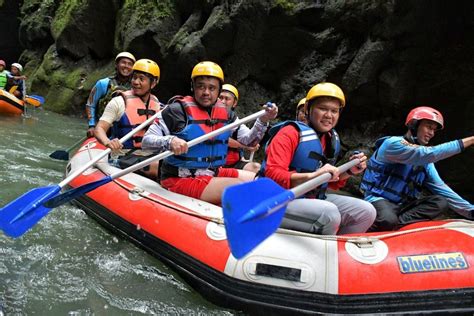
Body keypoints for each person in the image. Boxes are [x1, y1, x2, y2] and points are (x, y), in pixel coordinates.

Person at [142, 61, 278, 205]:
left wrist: (263, 120)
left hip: (213, 171)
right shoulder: (176, 111)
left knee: (261, 180)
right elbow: (146, 142)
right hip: (179, 178)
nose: (206, 92)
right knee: (238, 188)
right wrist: (169, 141)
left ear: (219, 91)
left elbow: (249, 141)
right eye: (201, 86)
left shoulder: (226, 113)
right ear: (193, 87)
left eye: (212, 88)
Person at [259, 82, 376, 235]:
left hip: (308, 198)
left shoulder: (329, 139)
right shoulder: (289, 133)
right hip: (273, 200)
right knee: (329, 214)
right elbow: (273, 175)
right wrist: (313, 176)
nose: (329, 115)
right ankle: (322, 254)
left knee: (366, 212)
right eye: (323, 109)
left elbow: (328, 181)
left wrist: (350, 172)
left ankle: (340, 253)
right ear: (308, 109)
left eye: (334, 111)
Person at [360, 106, 474, 231]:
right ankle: (382, 226)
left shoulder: (426, 163)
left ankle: (396, 226)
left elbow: (441, 188)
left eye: (434, 130)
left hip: (402, 207)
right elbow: (430, 153)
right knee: (388, 219)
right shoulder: (393, 144)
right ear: (414, 125)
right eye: (429, 127)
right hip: (378, 200)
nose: (431, 133)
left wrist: (470, 211)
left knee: (440, 202)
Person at [94, 58, 161, 179]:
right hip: (122, 155)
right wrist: (108, 142)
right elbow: (99, 129)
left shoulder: (158, 106)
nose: (136, 82)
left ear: (154, 83)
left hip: (149, 154)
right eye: (134, 77)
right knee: (157, 167)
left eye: (141, 79)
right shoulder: (119, 102)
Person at [86, 52, 136, 137]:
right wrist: (92, 125)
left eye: (130, 64)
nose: (126, 66)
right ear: (117, 64)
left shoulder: (135, 87)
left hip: (124, 129)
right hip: (103, 127)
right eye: (123, 62)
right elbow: (91, 104)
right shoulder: (103, 83)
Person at [219, 83, 261, 173]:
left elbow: (250, 139)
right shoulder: (207, 116)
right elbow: (222, 139)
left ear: (234, 103)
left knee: (257, 168)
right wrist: (245, 146)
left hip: (234, 163)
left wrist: (253, 143)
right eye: (220, 97)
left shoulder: (234, 120)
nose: (222, 101)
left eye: (227, 99)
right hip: (214, 165)